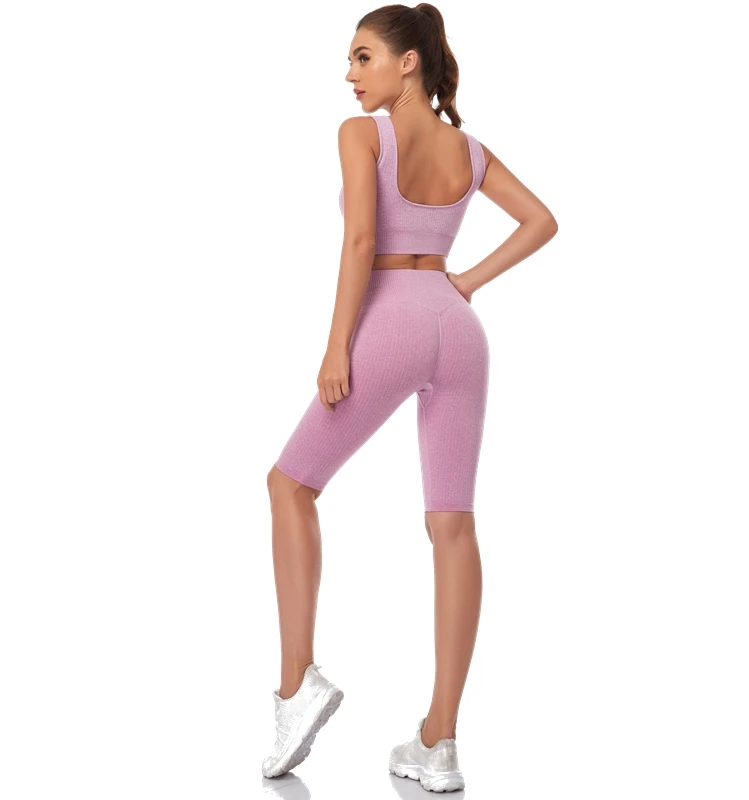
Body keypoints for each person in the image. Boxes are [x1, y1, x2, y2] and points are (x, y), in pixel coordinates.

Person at [262, 3, 558, 792]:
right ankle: (439, 742)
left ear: (408, 63)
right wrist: (465, 282)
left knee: (290, 485)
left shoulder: (362, 135)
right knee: (452, 525)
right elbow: (541, 221)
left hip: (389, 323)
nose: (349, 74)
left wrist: (337, 346)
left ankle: (295, 688)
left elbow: (362, 240)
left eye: (362, 57)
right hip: (459, 332)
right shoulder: (470, 150)